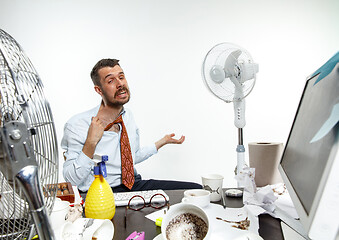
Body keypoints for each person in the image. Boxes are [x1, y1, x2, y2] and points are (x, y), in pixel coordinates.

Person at [61, 58, 202, 193]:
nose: (120, 84)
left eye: (121, 77)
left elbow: (130, 157)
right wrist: (91, 143)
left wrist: (162, 142)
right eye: (111, 80)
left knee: (195, 189)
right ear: (99, 90)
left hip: (134, 184)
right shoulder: (77, 125)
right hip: (101, 192)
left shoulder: (127, 116)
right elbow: (72, 180)